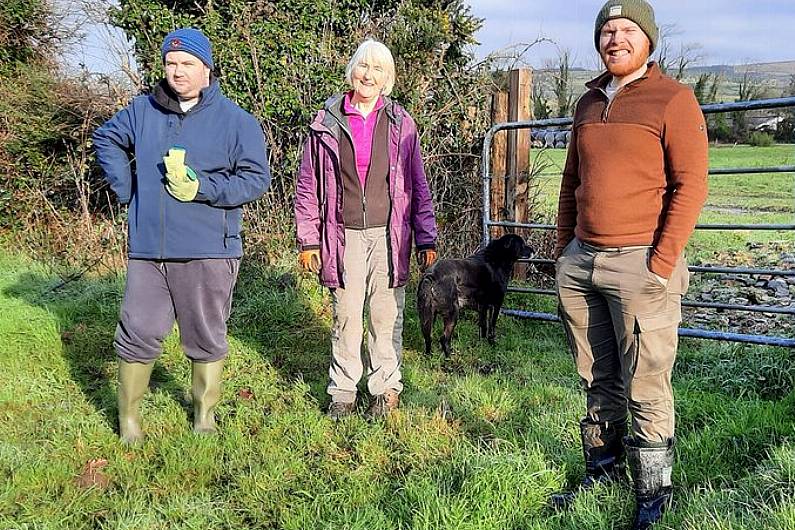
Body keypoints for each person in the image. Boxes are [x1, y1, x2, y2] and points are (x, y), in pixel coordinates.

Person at [550, 1, 708, 528]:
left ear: (648, 39)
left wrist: (660, 264)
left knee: (646, 382)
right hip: (583, 262)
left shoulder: (673, 100)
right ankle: (601, 469)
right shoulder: (588, 103)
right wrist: (563, 251)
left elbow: (691, 187)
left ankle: (651, 494)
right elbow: (572, 180)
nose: (615, 38)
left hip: (640, 265)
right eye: (607, 30)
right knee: (596, 375)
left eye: (626, 30)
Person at [93, 28, 271, 444]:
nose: (178, 72)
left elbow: (256, 180)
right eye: (171, 64)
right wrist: (127, 189)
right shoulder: (142, 111)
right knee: (137, 331)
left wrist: (204, 188)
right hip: (149, 248)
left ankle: (204, 416)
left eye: (187, 64)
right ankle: (129, 423)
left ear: (207, 68)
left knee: (206, 334)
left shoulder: (236, 122)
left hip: (210, 248)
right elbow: (107, 139)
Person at [294, 39, 438, 421]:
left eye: (378, 69)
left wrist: (426, 235)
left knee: (384, 314)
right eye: (363, 66)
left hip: (389, 236)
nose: (368, 75)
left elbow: (417, 183)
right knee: (346, 314)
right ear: (352, 70)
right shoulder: (325, 122)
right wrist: (308, 239)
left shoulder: (400, 123)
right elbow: (308, 184)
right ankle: (343, 390)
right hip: (343, 236)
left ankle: (384, 387)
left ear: (387, 78)